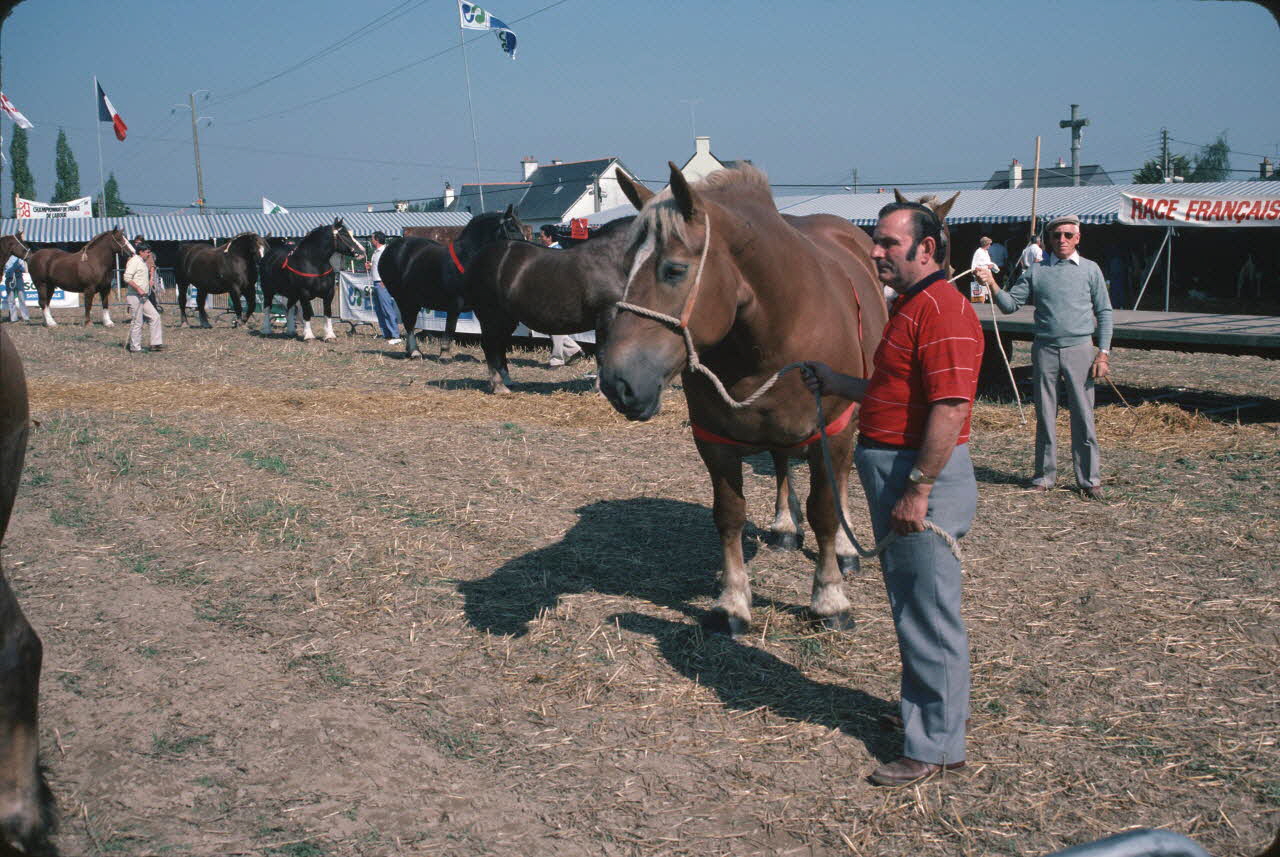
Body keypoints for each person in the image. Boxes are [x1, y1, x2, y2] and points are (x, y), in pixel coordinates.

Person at [803, 200, 983, 788]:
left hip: (916, 475)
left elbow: (950, 409)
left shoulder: (946, 311)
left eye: (886, 243)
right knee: (913, 610)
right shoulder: (911, 307)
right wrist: (837, 383)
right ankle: (927, 721)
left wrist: (920, 488)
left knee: (928, 615)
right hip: (897, 470)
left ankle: (933, 748)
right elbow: (889, 391)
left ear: (926, 249)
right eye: (874, 242)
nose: (875, 252)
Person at [976, 215, 1112, 499]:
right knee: (1045, 415)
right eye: (1056, 235)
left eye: (1068, 235)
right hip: (1046, 350)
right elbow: (1010, 306)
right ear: (1048, 239)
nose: (1062, 240)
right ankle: (1044, 477)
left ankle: (1089, 479)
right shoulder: (1036, 271)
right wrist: (992, 283)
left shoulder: (1090, 270)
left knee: (1084, 417)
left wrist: (1103, 353)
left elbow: (1105, 312)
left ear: (1078, 238)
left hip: (1081, 350)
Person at [540, 225, 583, 368]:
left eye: (542, 236)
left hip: (556, 293)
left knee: (554, 326)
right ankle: (574, 350)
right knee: (550, 326)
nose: (540, 238)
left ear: (549, 237)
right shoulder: (556, 250)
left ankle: (557, 359)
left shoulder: (555, 252)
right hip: (553, 292)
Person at [123, 243, 164, 352]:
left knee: (155, 316)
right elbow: (127, 277)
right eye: (147, 252)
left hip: (144, 297)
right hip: (134, 296)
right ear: (140, 252)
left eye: (149, 252)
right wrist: (138, 289)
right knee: (137, 321)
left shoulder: (142, 262)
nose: (149, 254)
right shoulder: (134, 261)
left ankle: (155, 344)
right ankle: (135, 347)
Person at [367, 231, 402, 345]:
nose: (371, 240)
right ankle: (386, 334)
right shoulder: (376, 252)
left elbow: (392, 267)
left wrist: (386, 280)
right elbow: (379, 266)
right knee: (379, 310)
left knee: (387, 309)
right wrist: (370, 266)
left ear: (376, 240)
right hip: (376, 282)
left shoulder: (386, 252)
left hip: (382, 283)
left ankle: (395, 335)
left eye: (372, 238)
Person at [4, 255, 29, 323]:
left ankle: (26, 317)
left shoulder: (18, 257)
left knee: (22, 298)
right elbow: (4, 268)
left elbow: (24, 268)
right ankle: (13, 318)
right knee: (11, 299)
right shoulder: (5, 257)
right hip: (9, 279)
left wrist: (19, 268)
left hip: (18, 278)